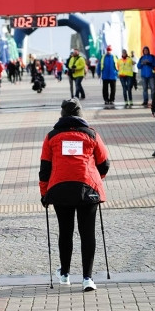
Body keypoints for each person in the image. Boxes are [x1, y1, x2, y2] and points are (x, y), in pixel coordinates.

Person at [39, 99, 110, 292]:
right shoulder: (92, 134)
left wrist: (44, 193)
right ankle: (87, 278)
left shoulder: (51, 136)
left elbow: (44, 168)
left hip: (60, 188)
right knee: (87, 233)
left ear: (62, 114)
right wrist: (96, 178)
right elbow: (104, 164)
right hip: (88, 188)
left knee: (65, 231)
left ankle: (65, 275)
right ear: (80, 114)